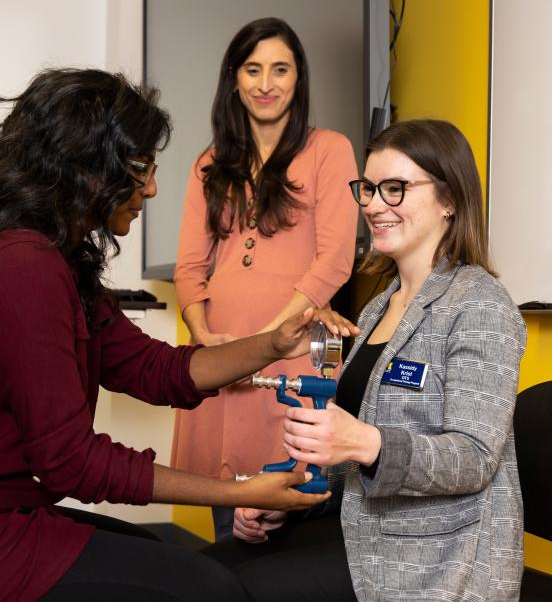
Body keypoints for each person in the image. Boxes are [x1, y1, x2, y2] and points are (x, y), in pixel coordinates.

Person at [0, 68, 353, 602]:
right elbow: (71, 461)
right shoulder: (19, 268)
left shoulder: (55, 259)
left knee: (184, 566)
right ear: (85, 167)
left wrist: (272, 344)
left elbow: (160, 370)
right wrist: (237, 490)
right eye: (142, 167)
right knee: (207, 589)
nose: (151, 187)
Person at [202, 119, 528, 601]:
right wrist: (289, 500)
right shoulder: (378, 308)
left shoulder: (480, 304)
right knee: (200, 573)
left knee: (229, 591)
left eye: (395, 189)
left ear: (450, 200)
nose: (374, 205)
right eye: (370, 189)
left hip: (436, 563)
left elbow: (473, 458)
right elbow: (355, 454)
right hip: (362, 535)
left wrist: (365, 442)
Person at [172, 17, 359, 539]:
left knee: (291, 504)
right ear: (234, 79)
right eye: (252, 70)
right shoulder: (209, 165)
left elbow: (335, 261)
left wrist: (266, 341)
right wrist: (207, 341)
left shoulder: (331, 150)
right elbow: (189, 267)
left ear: (299, 80)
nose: (265, 83)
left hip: (294, 348)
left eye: (280, 69)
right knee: (229, 522)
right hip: (218, 350)